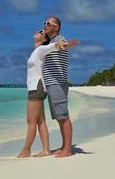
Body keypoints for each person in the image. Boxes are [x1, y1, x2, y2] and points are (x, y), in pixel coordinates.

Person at [18, 29, 79, 158]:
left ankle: (26, 150)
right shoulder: (37, 51)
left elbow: (54, 45)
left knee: (31, 121)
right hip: (36, 86)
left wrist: (65, 45)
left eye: (41, 32)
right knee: (40, 121)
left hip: (37, 86)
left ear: (44, 39)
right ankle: (46, 150)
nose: (37, 31)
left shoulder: (41, 49)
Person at [43, 16, 73, 157]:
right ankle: (64, 145)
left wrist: (69, 45)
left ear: (56, 27)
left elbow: (63, 45)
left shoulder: (60, 39)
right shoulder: (50, 42)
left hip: (57, 83)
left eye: (48, 23)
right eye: (44, 23)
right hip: (51, 83)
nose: (45, 25)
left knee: (63, 116)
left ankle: (67, 149)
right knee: (59, 117)